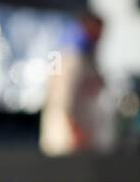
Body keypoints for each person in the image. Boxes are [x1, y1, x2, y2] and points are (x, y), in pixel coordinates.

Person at [40, 10, 115, 155]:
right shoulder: (68, 59)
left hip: (84, 141)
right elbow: (61, 98)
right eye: (97, 31)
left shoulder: (87, 60)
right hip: (69, 143)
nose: (100, 37)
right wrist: (75, 131)